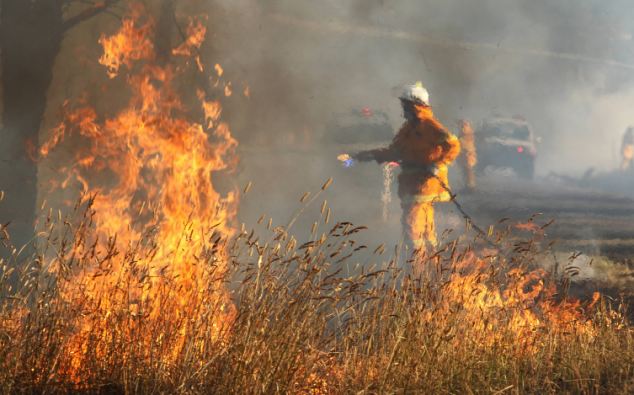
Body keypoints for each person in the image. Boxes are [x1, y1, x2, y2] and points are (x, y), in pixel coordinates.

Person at [350, 82, 461, 251]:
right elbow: (396, 152)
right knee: (426, 229)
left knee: (412, 229)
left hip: (424, 184)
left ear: (415, 105)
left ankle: (416, 268)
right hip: (415, 184)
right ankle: (432, 266)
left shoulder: (429, 126)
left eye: (405, 104)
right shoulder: (408, 129)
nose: (403, 108)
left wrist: (438, 164)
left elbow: (453, 145)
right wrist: (367, 155)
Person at [459, 120, 478, 191]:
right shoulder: (462, 134)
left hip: (469, 155)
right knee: (465, 170)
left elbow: (467, 144)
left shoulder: (469, 134)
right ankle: (467, 185)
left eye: (464, 125)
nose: (462, 127)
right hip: (464, 155)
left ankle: (471, 186)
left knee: (469, 170)